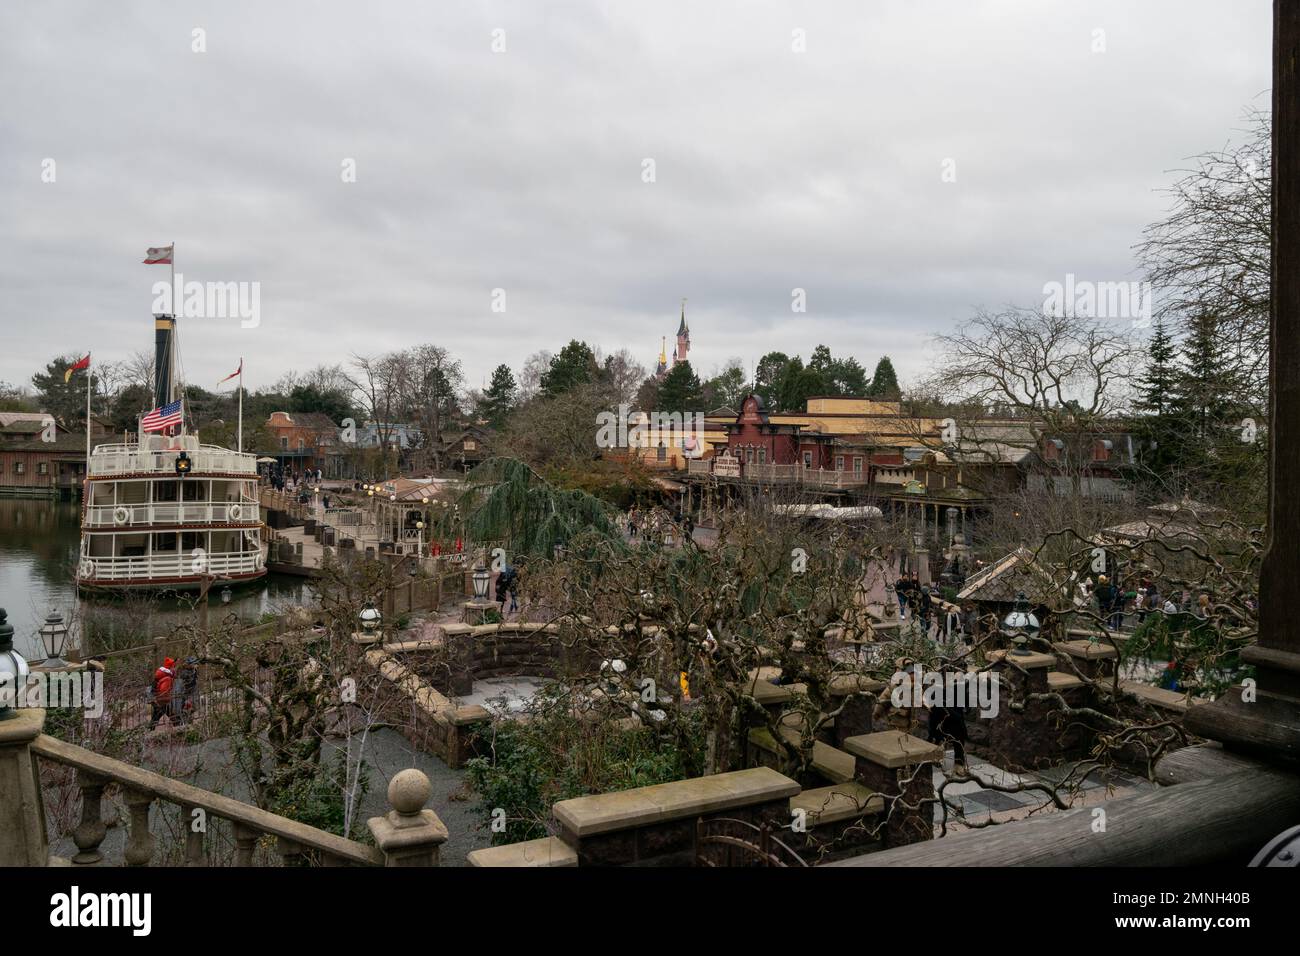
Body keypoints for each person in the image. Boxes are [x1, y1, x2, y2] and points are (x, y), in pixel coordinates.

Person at [150, 658, 177, 729]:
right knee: (169, 715)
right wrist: (165, 700)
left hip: (157, 699)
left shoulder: (160, 674)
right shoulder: (167, 678)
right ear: (170, 667)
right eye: (173, 666)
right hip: (162, 700)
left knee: (156, 716)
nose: (174, 668)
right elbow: (164, 691)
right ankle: (179, 727)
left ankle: (150, 730)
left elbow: (154, 687)